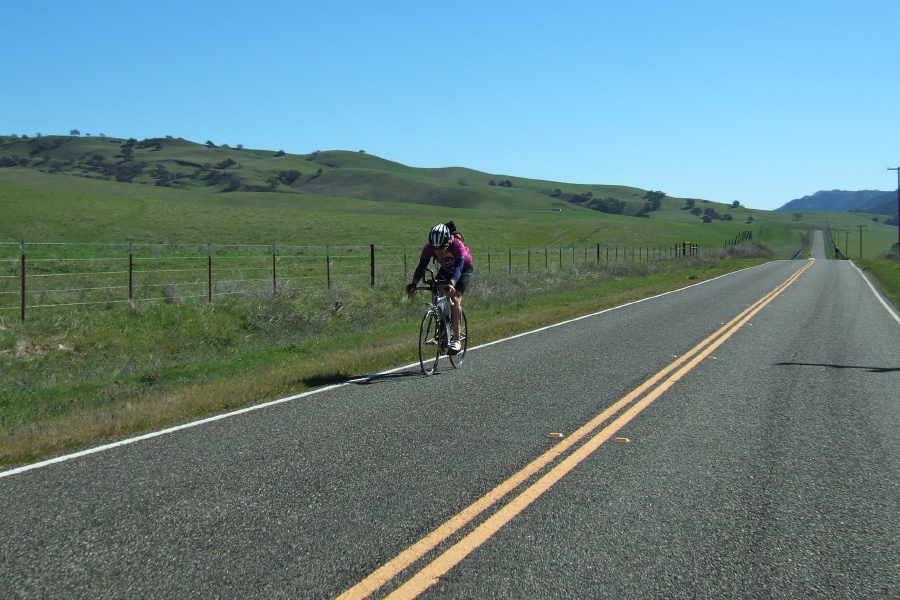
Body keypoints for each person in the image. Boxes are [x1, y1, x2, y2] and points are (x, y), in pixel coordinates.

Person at [406, 222, 473, 353]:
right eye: (435, 249)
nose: (438, 252)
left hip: (463, 270)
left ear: (447, 243)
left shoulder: (457, 245)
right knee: (435, 290)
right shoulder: (429, 247)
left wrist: (452, 283)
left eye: (441, 248)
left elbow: (458, 268)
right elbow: (421, 267)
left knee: (455, 300)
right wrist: (413, 283)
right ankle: (442, 324)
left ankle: (456, 340)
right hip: (446, 270)